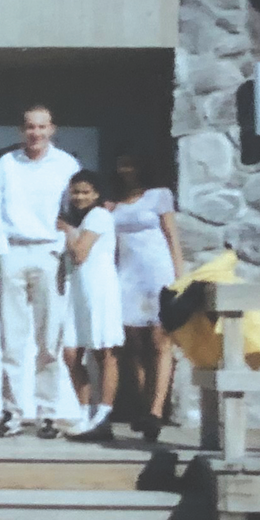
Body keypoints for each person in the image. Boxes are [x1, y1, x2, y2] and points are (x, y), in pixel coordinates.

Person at [0, 104, 82, 439]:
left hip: (49, 253)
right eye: (30, 127)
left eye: (42, 127)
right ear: (21, 130)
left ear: (52, 129)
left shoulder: (66, 165)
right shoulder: (7, 163)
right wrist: (2, 250)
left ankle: (47, 415)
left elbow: (74, 210)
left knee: (49, 340)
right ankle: (11, 413)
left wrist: (60, 247)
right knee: (11, 340)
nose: (36, 133)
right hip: (14, 251)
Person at [110, 151, 186, 442]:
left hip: (157, 274)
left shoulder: (159, 196)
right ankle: (144, 406)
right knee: (133, 344)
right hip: (127, 276)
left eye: (131, 164)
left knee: (159, 341)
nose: (127, 169)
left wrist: (179, 278)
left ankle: (156, 409)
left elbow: (171, 236)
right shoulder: (114, 203)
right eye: (122, 164)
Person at [59, 169, 125, 442]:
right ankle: (84, 412)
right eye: (75, 192)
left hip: (99, 289)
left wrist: (66, 230)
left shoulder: (98, 216)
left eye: (86, 192)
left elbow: (79, 253)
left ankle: (103, 415)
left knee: (104, 351)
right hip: (78, 291)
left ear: (96, 194)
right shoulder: (83, 219)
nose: (80, 197)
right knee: (71, 353)